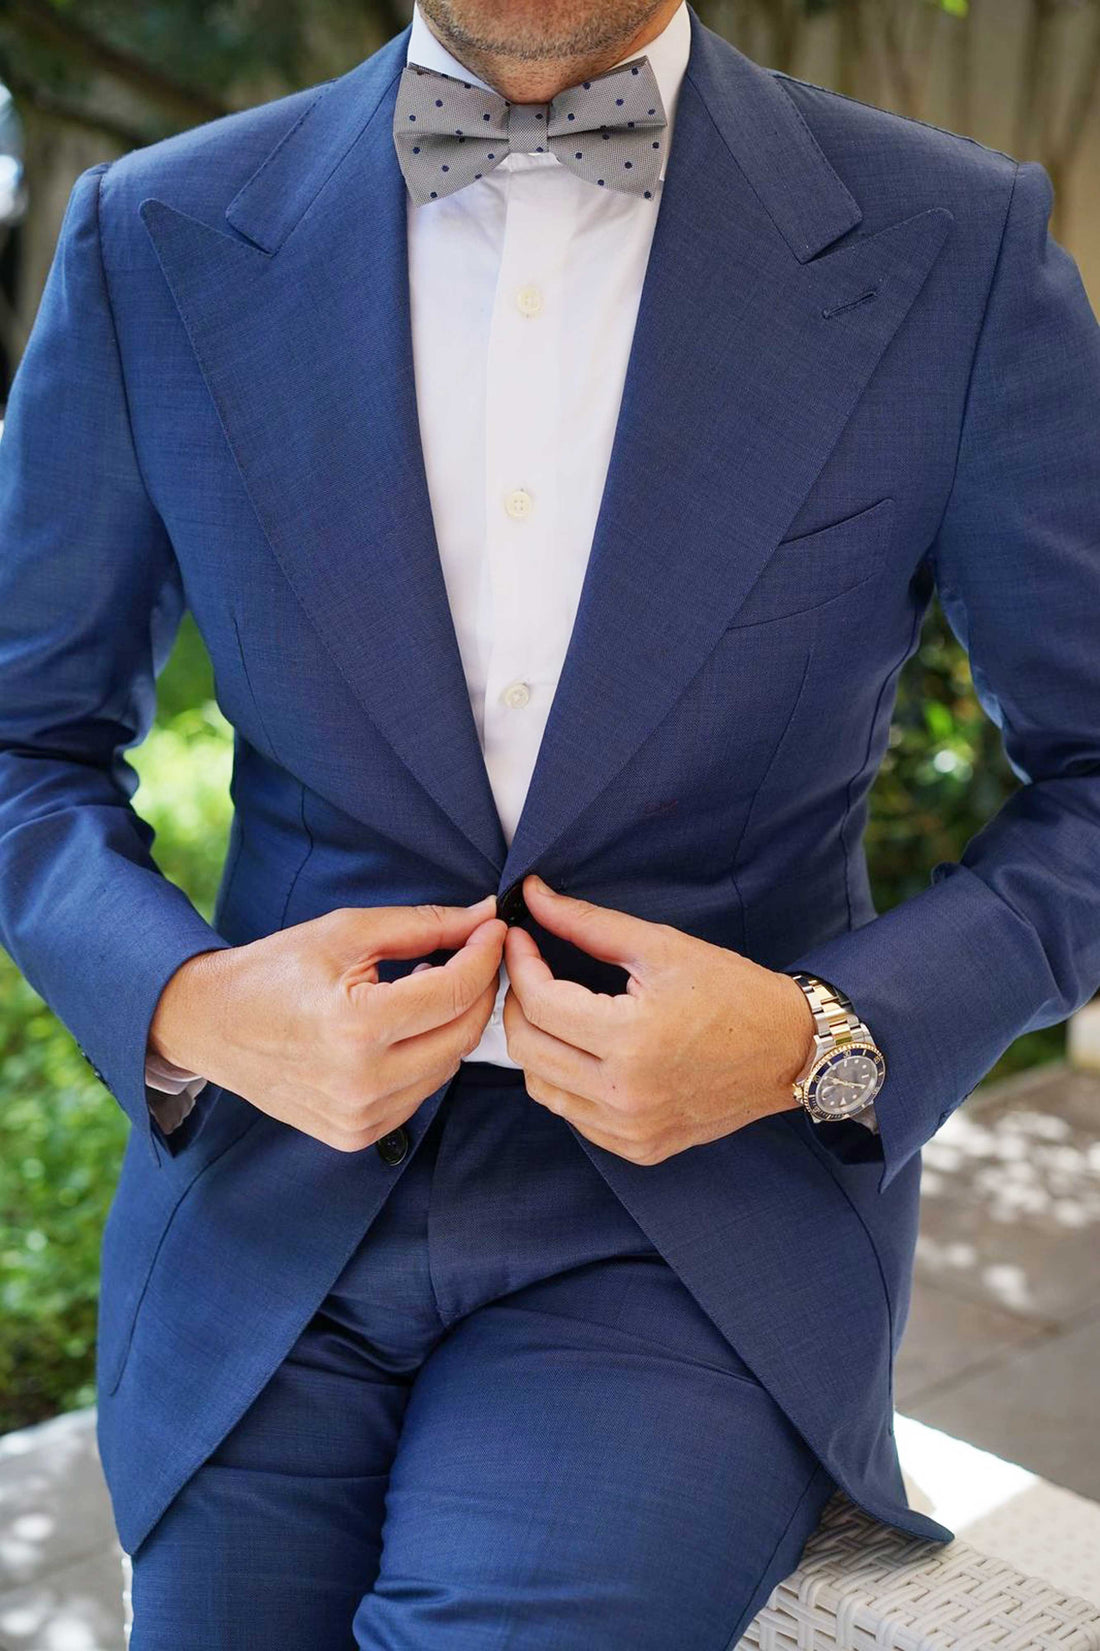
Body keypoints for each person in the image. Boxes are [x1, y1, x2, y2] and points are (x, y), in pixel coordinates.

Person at [1, 0, 1098, 1642]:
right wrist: (193, 1006)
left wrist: (820, 1037)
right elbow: (21, 738)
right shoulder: (150, 231)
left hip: (700, 1221)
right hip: (272, 1203)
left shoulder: (956, 243)